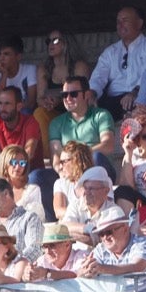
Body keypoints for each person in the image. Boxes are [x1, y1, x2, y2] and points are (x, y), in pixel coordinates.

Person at [39, 75, 117, 203]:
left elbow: (108, 145)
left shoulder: (101, 115)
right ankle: (57, 214)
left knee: (97, 157)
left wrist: (79, 156)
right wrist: (61, 172)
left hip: (97, 167)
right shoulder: (56, 123)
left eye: (73, 94)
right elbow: (56, 155)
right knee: (38, 177)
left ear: (86, 95)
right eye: (64, 95)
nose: (68, 98)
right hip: (69, 171)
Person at [88, 6, 146, 121]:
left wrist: (135, 92)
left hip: (141, 96)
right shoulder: (110, 51)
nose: (120, 25)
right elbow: (98, 77)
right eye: (118, 22)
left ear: (139, 23)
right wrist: (92, 93)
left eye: (125, 21)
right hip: (114, 100)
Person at [34, 30, 89, 159]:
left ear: (66, 43)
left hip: (75, 110)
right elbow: (39, 98)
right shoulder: (44, 69)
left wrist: (61, 99)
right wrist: (47, 103)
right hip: (53, 111)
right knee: (39, 112)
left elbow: (83, 94)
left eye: (56, 40)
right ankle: (50, 157)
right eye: (49, 41)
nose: (50, 44)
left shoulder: (78, 66)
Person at [59, 166, 118, 244]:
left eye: (91, 189)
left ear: (106, 191)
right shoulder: (76, 205)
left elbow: (101, 241)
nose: (86, 193)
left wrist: (72, 235)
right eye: (85, 188)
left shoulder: (113, 211)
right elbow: (64, 227)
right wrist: (86, 228)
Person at [0, 34, 38, 115]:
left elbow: (31, 104)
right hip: (1, 114)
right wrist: (4, 75)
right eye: (0, 54)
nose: (1, 58)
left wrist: (4, 109)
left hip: (21, 113)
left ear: (18, 57)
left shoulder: (30, 70)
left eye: (6, 54)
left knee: (25, 112)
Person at [51, 141, 93, 222]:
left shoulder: (100, 181)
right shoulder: (60, 183)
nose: (60, 167)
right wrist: (84, 214)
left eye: (63, 162)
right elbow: (58, 211)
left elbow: (102, 210)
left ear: (77, 161)